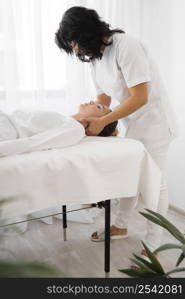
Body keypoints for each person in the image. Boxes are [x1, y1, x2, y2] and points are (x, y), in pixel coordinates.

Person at [55, 6, 179, 259]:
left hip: (155, 123)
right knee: (128, 177)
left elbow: (140, 97)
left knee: (155, 185)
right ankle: (120, 226)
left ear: (85, 31)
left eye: (74, 42)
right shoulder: (96, 58)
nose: (76, 50)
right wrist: (90, 118)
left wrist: (104, 121)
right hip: (131, 123)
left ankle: (153, 246)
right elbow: (104, 96)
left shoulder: (126, 46)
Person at [0, 103, 117, 157]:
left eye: (99, 107)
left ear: (97, 121)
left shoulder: (75, 130)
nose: (92, 101)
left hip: (6, 130)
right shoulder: (66, 119)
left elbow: (35, 143)